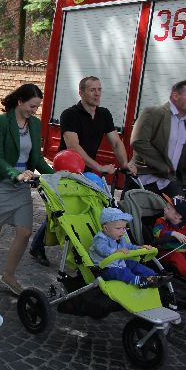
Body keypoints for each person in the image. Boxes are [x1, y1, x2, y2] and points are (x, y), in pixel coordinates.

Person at [29, 76, 137, 266]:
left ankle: (93, 248)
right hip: (68, 169)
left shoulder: (104, 114)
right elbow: (74, 147)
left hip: (89, 172)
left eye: (99, 89)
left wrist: (125, 163)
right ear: (81, 92)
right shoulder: (70, 114)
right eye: (92, 90)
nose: (97, 93)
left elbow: (116, 142)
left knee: (89, 209)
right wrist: (100, 167)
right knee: (64, 211)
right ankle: (39, 245)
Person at [0, 83, 54, 295]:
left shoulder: (35, 124)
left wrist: (55, 176)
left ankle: (9, 275)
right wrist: (16, 174)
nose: (35, 110)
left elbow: (37, 159)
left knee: (25, 232)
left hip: (21, 186)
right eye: (32, 106)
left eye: (37, 107)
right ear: (20, 101)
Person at [129, 80, 186, 198]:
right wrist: (163, 167)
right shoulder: (153, 113)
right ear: (175, 95)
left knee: (184, 212)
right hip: (144, 179)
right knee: (138, 216)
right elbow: (138, 141)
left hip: (168, 181)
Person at [90, 207, 169, 288]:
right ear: (106, 228)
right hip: (106, 268)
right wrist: (115, 251)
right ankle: (138, 281)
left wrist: (139, 248)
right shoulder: (100, 238)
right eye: (118, 228)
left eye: (124, 228)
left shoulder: (120, 238)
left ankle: (154, 277)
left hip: (119, 262)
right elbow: (101, 249)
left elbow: (129, 246)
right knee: (121, 272)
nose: (122, 231)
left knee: (134, 265)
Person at [152, 195, 186, 284]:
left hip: (184, 252)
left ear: (178, 216)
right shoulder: (161, 221)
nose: (164, 208)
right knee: (177, 257)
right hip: (165, 252)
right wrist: (173, 234)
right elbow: (156, 232)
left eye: (168, 208)